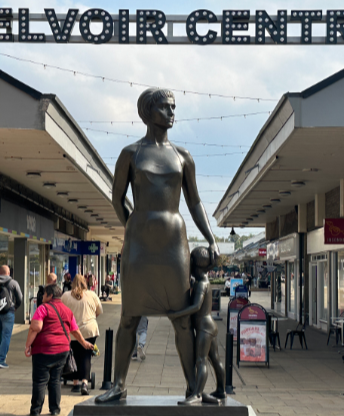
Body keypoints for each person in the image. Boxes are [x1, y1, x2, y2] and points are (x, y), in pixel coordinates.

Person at [96, 88, 220, 403]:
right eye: (164, 107)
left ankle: (194, 387)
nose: (170, 112)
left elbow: (194, 202)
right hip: (139, 245)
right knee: (129, 316)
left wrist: (210, 237)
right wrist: (133, 228)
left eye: (173, 107)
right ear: (148, 112)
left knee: (181, 318)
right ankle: (118, 384)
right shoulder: (131, 153)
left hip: (173, 244)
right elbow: (116, 197)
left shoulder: (182, 156)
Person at [169, 247, 226, 405]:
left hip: (204, 327)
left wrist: (177, 313)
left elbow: (196, 307)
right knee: (215, 359)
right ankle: (221, 390)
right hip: (209, 325)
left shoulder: (202, 284)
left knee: (201, 360)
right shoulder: (203, 280)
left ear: (195, 266)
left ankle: (198, 394)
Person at [26, 285, 94, 416]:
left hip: (43, 350)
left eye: (44, 294)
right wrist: (84, 342)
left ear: (50, 295)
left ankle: (35, 411)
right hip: (62, 350)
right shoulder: (67, 310)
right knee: (55, 380)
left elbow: (36, 327)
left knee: (40, 381)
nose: (43, 296)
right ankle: (55, 410)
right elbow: (75, 330)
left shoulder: (43, 308)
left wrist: (28, 345)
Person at [61, 274, 103, 395]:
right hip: (89, 330)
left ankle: (75, 383)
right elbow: (99, 311)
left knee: (73, 355)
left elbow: (61, 312)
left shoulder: (66, 296)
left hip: (72, 331)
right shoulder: (92, 295)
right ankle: (85, 382)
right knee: (86, 356)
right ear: (85, 282)